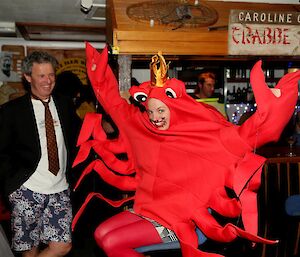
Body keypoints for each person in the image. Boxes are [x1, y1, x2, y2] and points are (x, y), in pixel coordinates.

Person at [72, 43, 300, 257]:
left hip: (177, 219)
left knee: (112, 242)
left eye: (161, 111)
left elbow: (247, 136)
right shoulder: (141, 127)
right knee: (100, 234)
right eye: (150, 112)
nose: (155, 118)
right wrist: (98, 75)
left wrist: (273, 109)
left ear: (173, 106)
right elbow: (114, 104)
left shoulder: (200, 133)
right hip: (147, 209)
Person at [0, 51, 80, 257]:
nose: (48, 81)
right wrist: (12, 185)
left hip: (60, 188)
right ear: (28, 77)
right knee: (30, 250)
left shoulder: (64, 104)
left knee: (62, 246)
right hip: (26, 190)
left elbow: (79, 138)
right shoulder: (11, 111)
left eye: (51, 75)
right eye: (41, 76)